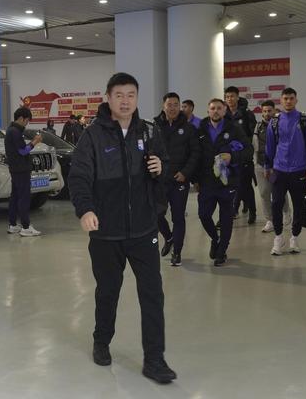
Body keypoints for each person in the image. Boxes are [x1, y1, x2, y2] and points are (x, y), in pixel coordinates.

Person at [68, 72, 177, 384]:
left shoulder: (150, 131)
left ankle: (154, 359)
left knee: (153, 294)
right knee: (108, 292)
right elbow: (79, 176)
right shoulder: (92, 135)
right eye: (119, 95)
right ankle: (101, 340)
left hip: (143, 230)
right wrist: (86, 209)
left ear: (137, 98)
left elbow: (166, 167)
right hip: (106, 233)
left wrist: (161, 169)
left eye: (131, 95)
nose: (125, 101)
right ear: (108, 97)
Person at [194, 98, 252, 266]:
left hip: (228, 180)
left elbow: (249, 150)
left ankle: (222, 251)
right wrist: (195, 179)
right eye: (213, 108)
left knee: (226, 218)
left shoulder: (234, 128)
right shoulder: (200, 130)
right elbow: (195, 155)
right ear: (208, 111)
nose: (216, 111)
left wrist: (232, 157)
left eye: (219, 108)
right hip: (206, 181)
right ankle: (215, 238)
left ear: (225, 110)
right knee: (204, 215)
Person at [265, 87, 306, 256]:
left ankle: (294, 237)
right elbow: (269, 146)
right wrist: (267, 166)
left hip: (299, 170)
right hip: (279, 170)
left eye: (291, 98)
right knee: (276, 204)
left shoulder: (305, 120)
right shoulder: (274, 121)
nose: (288, 101)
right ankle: (278, 238)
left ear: (296, 100)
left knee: (299, 205)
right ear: (281, 100)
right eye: (285, 98)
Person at [154, 92, 201, 266]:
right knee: (156, 214)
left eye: (176, 105)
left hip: (179, 180)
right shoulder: (155, 127)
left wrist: (185, 173)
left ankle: (177, 252)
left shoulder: (188, 128)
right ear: (163, 106)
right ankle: (169, 237)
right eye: (169, 104)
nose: (173, 108)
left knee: (178, 217)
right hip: (159, 180)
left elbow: (195, 153)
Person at [5, 107, 43, 237]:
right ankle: (26, 227)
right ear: (21, 118)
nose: (27, 124)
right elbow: (22, 151)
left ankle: (13, 225)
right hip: (21, 169)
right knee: (24, 197)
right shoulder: (15, 132)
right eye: (27, 121)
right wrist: (35, 142)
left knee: (15, 196)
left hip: (15, 169)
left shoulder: (11, 130)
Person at [254, 100, 290, 233]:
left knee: (279, 191)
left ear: (274, 111)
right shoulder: (258, 126)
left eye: (269, 111)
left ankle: (286, 212)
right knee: (264, 193)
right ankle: (270, 220)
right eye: (264, 111)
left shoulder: (280, 125)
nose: (267, 113)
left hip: (277, 165)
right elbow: (254, 145)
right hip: (260, 164)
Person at [224, 86, 257, 224]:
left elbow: (252, 135)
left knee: (246, 186)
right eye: (227, 97)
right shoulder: (224, 114)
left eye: (232, 96)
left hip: (244, 156)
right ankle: (231, 212)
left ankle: (252, 211)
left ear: (237, 97)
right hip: (228, 156)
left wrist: (245, 149)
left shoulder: (247, 114)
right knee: (229, 186)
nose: (230, 99)